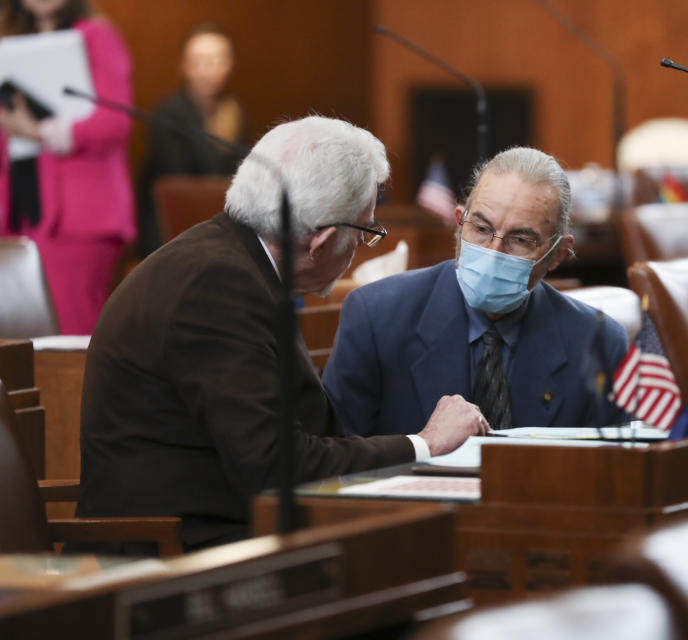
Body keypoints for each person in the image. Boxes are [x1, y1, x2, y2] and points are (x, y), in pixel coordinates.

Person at [74, 116, 489, 553]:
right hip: (177, 557)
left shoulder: (230, 262)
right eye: (365, 232)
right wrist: (425, 444)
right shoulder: (216, 285)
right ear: (321, 240)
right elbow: (276, 465)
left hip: (221, 531)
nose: (358, 249)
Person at [322, 147, 629, 437]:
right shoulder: (376, 316)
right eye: (481, 230)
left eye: (520, 240)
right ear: (459, 222)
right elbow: (338, 455)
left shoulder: (598, 343)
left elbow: (611, 474)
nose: (493, 252)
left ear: (558, 255)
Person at [0, 0, 135, 334]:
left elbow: (115, 121)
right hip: (21, 213)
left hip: (78, 216)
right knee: (25, 339)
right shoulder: (9, 40)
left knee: (70, 334)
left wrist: (39, 131)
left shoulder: (96, 36)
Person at [136, 23, 247, 258]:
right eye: (199, 60)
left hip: (222, 231)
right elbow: (181, 184)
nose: (207, 69)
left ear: (231, 64)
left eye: (217, 60)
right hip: (172, 236)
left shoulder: (233, 110)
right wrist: (218, 141)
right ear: (183, 66)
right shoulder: (168, 113)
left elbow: (242, 178)